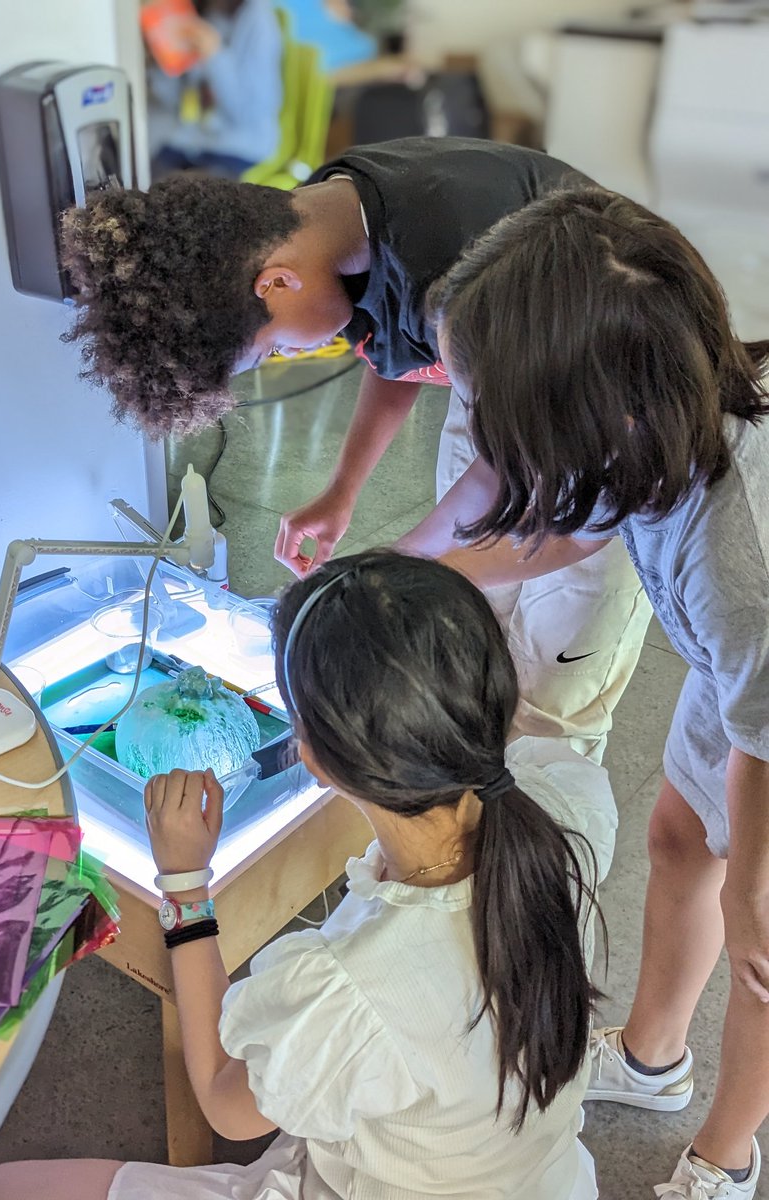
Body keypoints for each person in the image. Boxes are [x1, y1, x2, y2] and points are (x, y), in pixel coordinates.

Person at [0, 550, 618, 1200]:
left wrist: (186, 885)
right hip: (538, 1179)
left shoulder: (347, 987)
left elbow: (225, 1101)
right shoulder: (568, 802)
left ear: (310, 759)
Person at [60, 137, 652, 764]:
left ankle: (535, 809)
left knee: (549, 696)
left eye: (273, 350)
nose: (289, 356)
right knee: (477, 627)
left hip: (611, 421)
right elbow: (399, 351)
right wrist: (346, 492)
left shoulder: (459, 268)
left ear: (277, 282)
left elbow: (569, 518)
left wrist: (412, 568)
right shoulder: (325, 220)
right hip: (502, 391)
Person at [427, 189, 769, 1198]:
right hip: (740, 676)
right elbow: (574, 526)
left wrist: (752, 888)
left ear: (593, 411)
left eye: (494, 413)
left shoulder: (736, 560)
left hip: (763, 699)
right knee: (679, 838)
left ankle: (727, 1156)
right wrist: (420, 572)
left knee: (762, 951)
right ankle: (655, 1063)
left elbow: (763, 730)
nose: (479, 431)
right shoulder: (649, 420)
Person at [146, 0, 282, 180]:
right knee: (139, 175)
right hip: (194, 142)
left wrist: (214, 54)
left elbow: (245, 113)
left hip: (237, 149)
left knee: (181, 190)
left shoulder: (260, 25)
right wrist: (161, 62)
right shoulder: (210, 12)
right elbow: (175, 99)